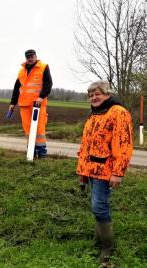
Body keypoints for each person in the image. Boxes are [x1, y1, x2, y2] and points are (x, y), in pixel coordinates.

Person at [77, 81, 133, 264]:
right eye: (90, 95)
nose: (93, 97)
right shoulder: (94, 115)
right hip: (91, 170)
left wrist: (118, 172)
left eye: (97, 94)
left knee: (98, 206)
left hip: (105, 171)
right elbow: (86, 146)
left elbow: (123, 145)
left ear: (107, 94)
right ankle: (99, 238)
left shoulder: (118, 112)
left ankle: (107, 247)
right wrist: (82, 170)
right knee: (97, 205)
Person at [8, 49, 53, 158]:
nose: (30, 58)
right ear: (26, 58)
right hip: (24, 105)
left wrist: (41, 97)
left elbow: (48, 84)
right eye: (28, 57)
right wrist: (13, 103)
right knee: (28, 130)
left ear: (36, 56)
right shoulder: (21, 71)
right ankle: (31, 153)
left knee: (39, 129)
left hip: (38, 104)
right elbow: (16, 88)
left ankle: (42, 154)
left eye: (32, 56)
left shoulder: (43, 67)